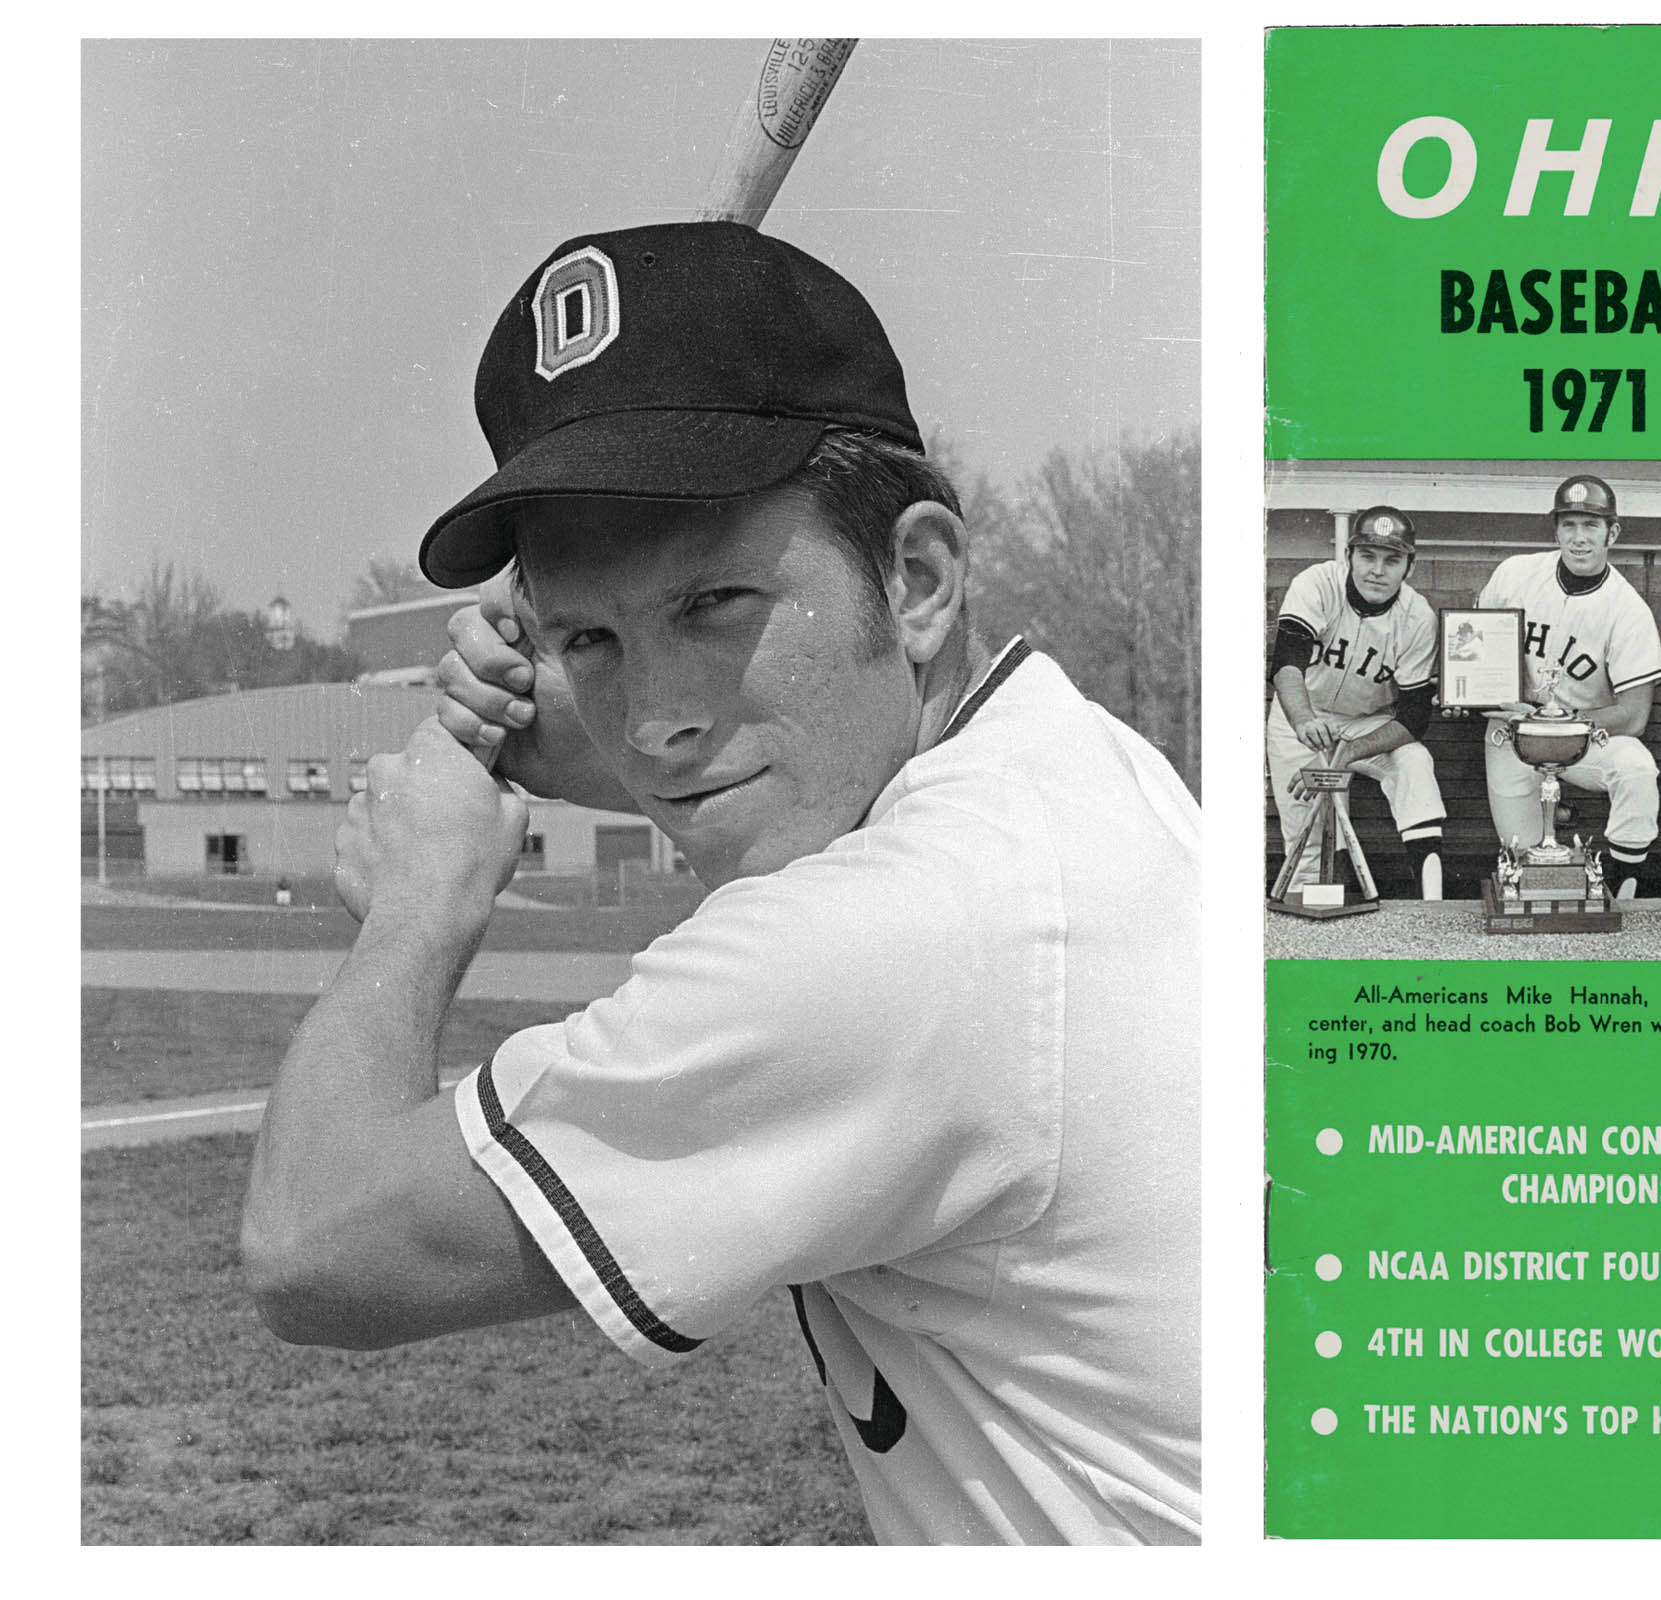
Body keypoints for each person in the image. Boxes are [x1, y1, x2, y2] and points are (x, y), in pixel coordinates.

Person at [239, 221, 1200, 1545]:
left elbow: (316, 1244)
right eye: (594, 635)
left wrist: (418, 902)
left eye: (713, 607)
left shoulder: (889, 942)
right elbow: (728, 747)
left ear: (916, 579)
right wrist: (537, 727)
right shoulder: (1069, 773)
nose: (655, 725)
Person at [1476, 474, 1661, 897]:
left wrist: (1555, 720)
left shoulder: (1628, 610)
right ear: (1555, 528)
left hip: (1585, 740)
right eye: (1569, 525)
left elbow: (1633, 716)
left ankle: (1620, 891)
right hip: (1512, 736)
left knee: (1635, 769)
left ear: (1612, 532)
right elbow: (1474, 646)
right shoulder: (1514, 575)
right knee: (1523, 870)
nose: (1579, 538)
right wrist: (1463, 693)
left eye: (1591, 526)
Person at [1265, 506, 1445, 899]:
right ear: (1349, 556)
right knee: (1308, 839)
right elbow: (1286, 664)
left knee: (1415, 761)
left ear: (1409, 568)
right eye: (1367, 556)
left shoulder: (1417, 617)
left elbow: (1414, 717)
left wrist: (1350, 751)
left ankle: (1434, 902)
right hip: (1301, 716)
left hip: (1368, 722)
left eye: (1392, 559)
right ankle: (1312, 929)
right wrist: (1304, 722)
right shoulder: (1317, 583)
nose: (1377, 570)